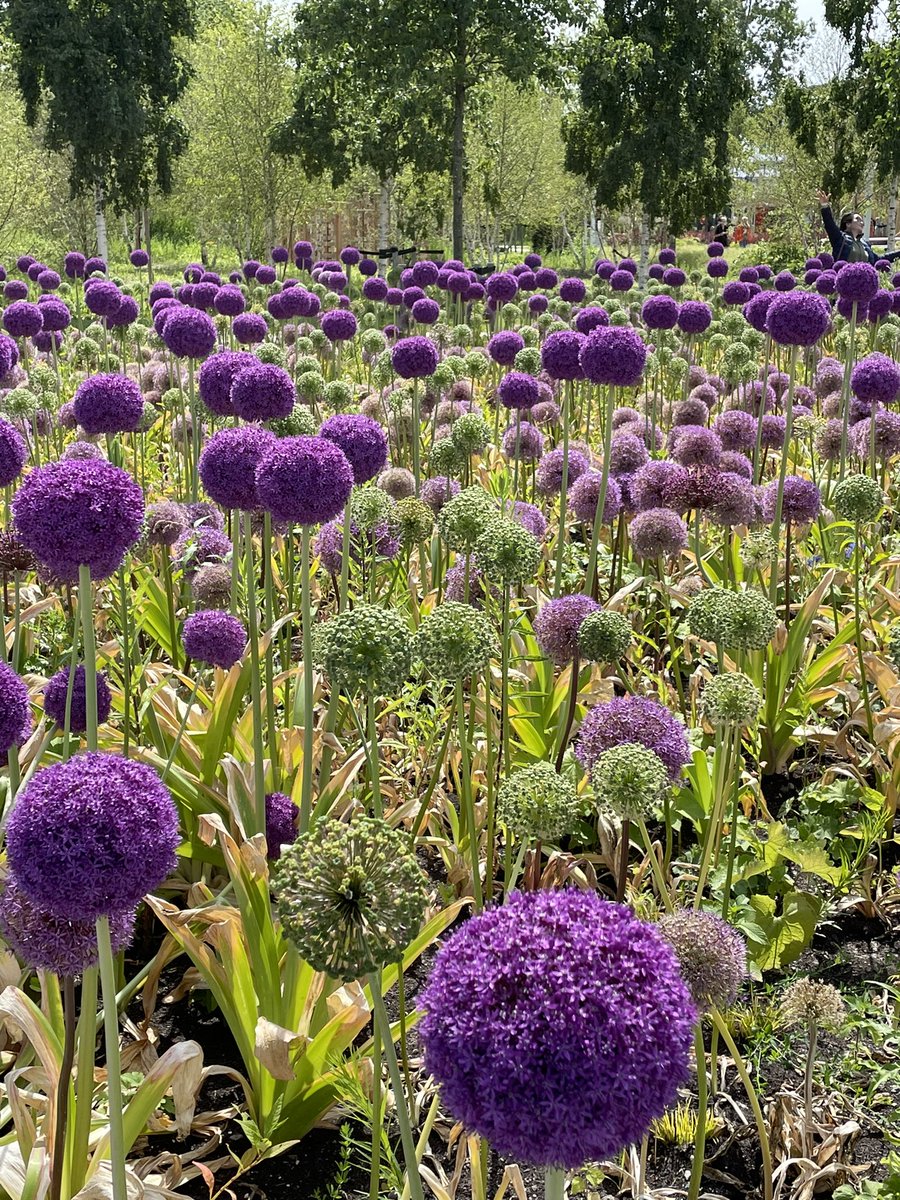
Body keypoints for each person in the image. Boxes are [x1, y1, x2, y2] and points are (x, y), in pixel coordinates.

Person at [816, 190, 900, 263]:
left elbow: (879, 260)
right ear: (848, 224)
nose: (862, 222)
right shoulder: (840, 239)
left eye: (862, 220)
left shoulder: (865, 244)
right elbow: (829, 224)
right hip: (844, 276)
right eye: (858, 219)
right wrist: (825, 206)